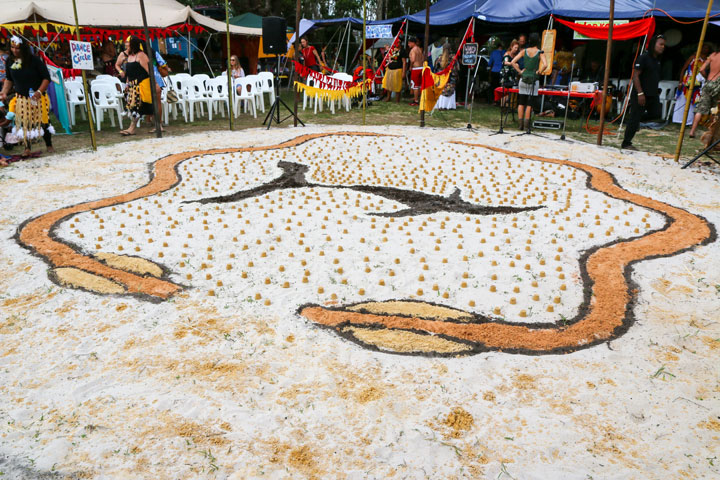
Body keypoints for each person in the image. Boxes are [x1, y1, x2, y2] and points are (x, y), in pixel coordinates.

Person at [0, 36, 54, 157]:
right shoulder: (9, 61)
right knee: (24, 123)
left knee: (43, 121)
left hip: (38, 97)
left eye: (18, 48)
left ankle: (49, 144)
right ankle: (27, 148)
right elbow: (9, 79)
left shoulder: (34, 60)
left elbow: (46, 78)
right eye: (12, 47)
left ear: (24, 48)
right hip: (21, 98)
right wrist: (4, 92)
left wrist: (39, 92)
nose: (15, 50)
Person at [621, 34, 665, 150]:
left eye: (663, 45)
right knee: (634, 118)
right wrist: (640, 93)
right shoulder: (643, 58)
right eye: (660, 44)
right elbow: (636, 76)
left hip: (653, 94)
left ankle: (636, 121)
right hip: (640, 93)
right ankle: (626, 143)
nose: (662, 47)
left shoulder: (657, 61)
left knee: (656, 114)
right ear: (653, 44)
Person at [510, 32, 547, 131]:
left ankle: (520, 124)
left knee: (521, 102)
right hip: (533, 79)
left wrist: (520, 72)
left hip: (523, 78)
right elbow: (545, 65)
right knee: (530, 103)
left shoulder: (524, 51)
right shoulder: (540, 52)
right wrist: (539, 71)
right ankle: (527, 125)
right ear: (538, 41)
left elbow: (513, 62)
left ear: (529, 41)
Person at [119, 36, 153, 136]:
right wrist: (127, 83)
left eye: (127, 42)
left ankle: (132, 128)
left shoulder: (141, 55)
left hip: (142, 84)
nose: (125, 44)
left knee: (138, 107)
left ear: (133, 44)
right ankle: (157, 124)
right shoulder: (129, 56)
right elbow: (129, 73)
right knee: (134, 107)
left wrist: (154, 84)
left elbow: (149, 71)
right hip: (133, 85)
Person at [674, 44, 711, 126]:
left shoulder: (708, 60)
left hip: (699, 83)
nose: (705, 49)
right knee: (683, 100)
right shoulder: (693, 57)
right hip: (688, 81)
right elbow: (684, 68)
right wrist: (680, 82)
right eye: (704, 47)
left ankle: (689, 121)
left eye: (707, 48)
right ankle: (679, 120)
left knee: (694, 102)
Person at [688, 46, 720, 138]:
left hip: (709, 82)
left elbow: (701, 69)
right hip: (718, 84)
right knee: (715, 109)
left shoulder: (713, 55)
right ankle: (712, 132)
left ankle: (692, 131)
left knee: (700, 108)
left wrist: (706, 78)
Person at [433, 44, 459, 110]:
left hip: (440, 83)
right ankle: (449, 106)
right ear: (450, 49)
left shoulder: (438, 59)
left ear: (442, 49)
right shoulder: (454, 59)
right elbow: (456, 70)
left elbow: (435, 70)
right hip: (450, 82)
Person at [408, 36, 424, 106]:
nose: (408, 44)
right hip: (421, 67)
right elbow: (422, 58)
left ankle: (416, 100)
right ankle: (419, 99)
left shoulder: (413, 50)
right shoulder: (419, 49)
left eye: (409, 43)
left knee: (415, 85)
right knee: (419, 85)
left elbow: (413, 59)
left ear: (412, 43)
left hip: (416, 68)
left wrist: (410, 66)